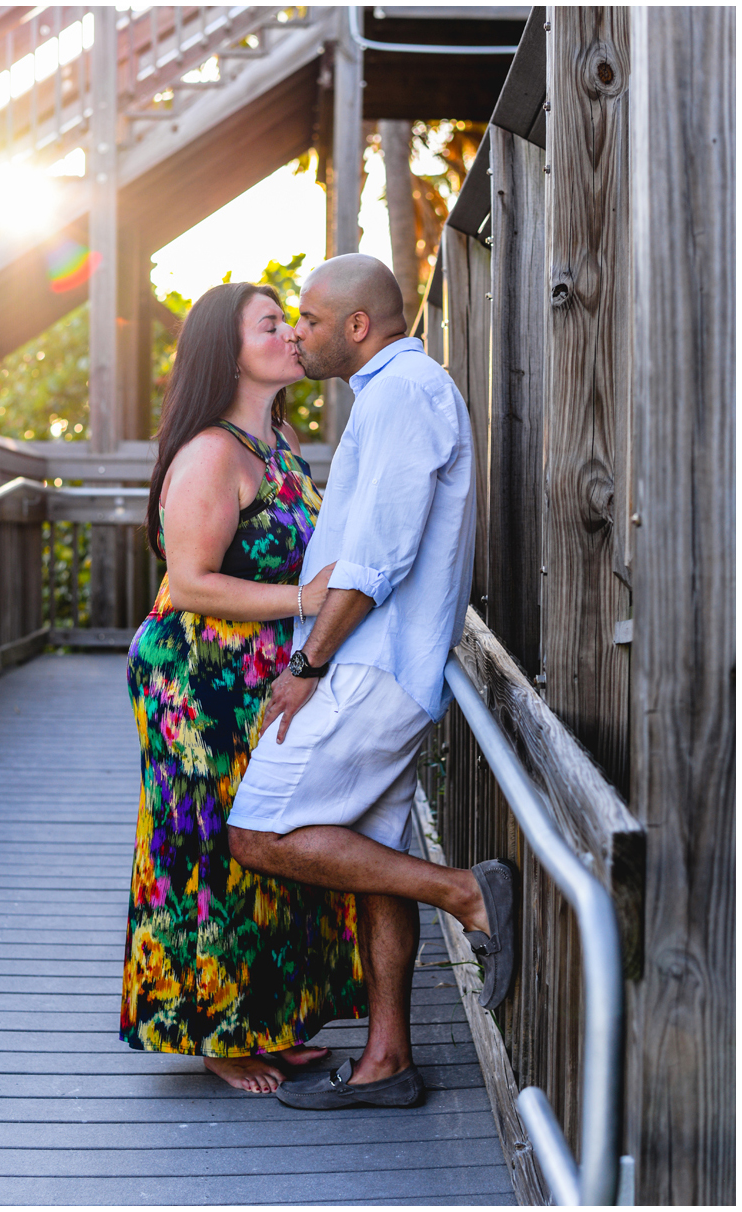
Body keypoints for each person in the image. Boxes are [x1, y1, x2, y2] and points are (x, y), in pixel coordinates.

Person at [226, 254, 517, 1112]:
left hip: (366, 669)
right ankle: (388, 1059)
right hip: (380, 667)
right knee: (370, 860)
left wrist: (307, 665)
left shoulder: (403, 394)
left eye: (309, 320)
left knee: (258, 831)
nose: (296, 334)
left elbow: (380, 556)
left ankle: (466, 892)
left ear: (358, 325)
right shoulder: (392, 393)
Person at [121, 280, 365, 1095]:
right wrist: (306, 600)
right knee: (208, 843)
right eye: (272, 324)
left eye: (290, 321)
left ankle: (266, 1015)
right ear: (229, 352)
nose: (292, 333)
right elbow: (187, 582)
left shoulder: (279, 442)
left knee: (268, 831)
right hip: (194, 680)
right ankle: (214, 1032)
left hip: (256, 674)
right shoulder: (210, 454)